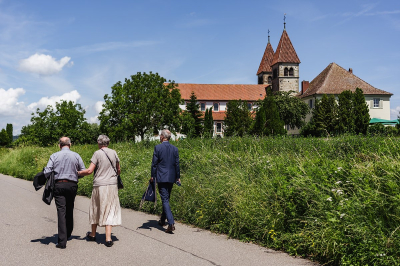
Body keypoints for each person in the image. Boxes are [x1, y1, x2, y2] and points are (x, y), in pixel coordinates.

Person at [78, 135, 121, 247]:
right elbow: (118, 169)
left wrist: (78, 173)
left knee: (96, 207)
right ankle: (108, 238)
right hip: (112, 185)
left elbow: (89, 170)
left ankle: (93, 234)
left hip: (99, 185)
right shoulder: (114, 152)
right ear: (108, 143)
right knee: (110, 208)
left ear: (99, 143)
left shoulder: (97, 153)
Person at [44, 137, 86, 249]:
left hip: (59, 185)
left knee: (61, 211)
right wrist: (75, 175)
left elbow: (47, 171)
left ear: (59, 145)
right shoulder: (76, 155)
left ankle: (62, 241)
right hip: (72, 185)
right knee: (70, 208)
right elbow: (82, 170)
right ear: (70, 145)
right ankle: (68, 233)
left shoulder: (54, 156)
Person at [151, 129, 181, 233]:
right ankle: (162, 220)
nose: (159, 137)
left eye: (160, 135)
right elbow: (177, 164)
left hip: (161, 177)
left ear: (163, 137)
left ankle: (171, 223)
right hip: (171, 177)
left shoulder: (158, 148)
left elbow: (154, 164)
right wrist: (178, 177)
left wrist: (152, 176)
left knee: (165, 199)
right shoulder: (175, 149)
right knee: (166, 198)